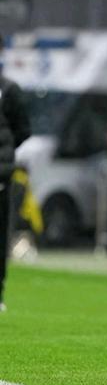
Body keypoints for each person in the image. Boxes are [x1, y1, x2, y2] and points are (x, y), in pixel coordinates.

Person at [0, 34, 32, 312]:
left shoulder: (9, 90)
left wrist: (6, 154)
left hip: (0, 176)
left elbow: (23, 130)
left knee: (0, 237)